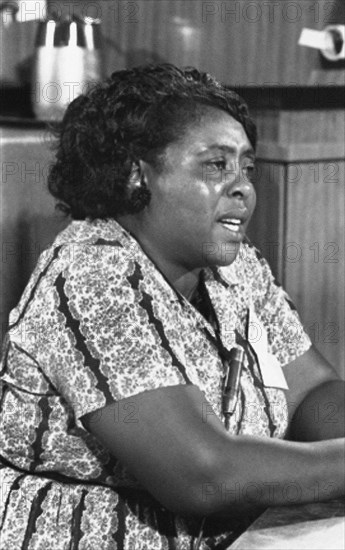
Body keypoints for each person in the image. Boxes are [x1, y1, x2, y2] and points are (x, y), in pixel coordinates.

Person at [0, 64, 344, 550]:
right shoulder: (91, 276)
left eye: (247, 167)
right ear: (137, 177)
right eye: (216, 165)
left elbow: (312, 391)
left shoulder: (236, 267)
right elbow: (202, 474)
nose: (243, 186)